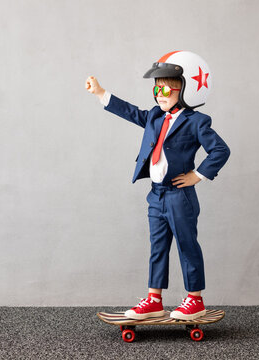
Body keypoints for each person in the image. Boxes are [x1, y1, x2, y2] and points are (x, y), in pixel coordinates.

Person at [85, 51, 230, 320]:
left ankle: (195, 300)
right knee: (157, 247)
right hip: (157, 195)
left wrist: (198, 175)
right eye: (156, 88)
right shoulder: (154, 116)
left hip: (179, 195)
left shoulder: (196, 121)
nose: (159, 94)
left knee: (187, 246)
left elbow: (220, 150)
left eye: (165, 88)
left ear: (186, 89)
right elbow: (130, 112)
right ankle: (154, 299)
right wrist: (101, 93)